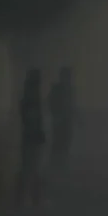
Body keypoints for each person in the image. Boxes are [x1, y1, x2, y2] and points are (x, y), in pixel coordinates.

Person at [16, 69, 45, 207]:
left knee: (31, 169)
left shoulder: (30, 98)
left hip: (30, 137)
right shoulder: (31, 98)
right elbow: (32, 119)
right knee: (31, 169)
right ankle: (28, 199)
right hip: (31, 138)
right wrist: (38, 132)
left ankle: (31, 199)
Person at [48, 66, 75, 171]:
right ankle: (55, 167)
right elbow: (50, 104)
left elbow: (72, 106)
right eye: (66, 76)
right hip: (59, 123)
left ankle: (62, 167)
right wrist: (56, 116)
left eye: (68, 77)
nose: (68, 79)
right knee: (57, 146)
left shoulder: (71, 90)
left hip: (67, 123)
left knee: (65, 145)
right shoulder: (56, 89)